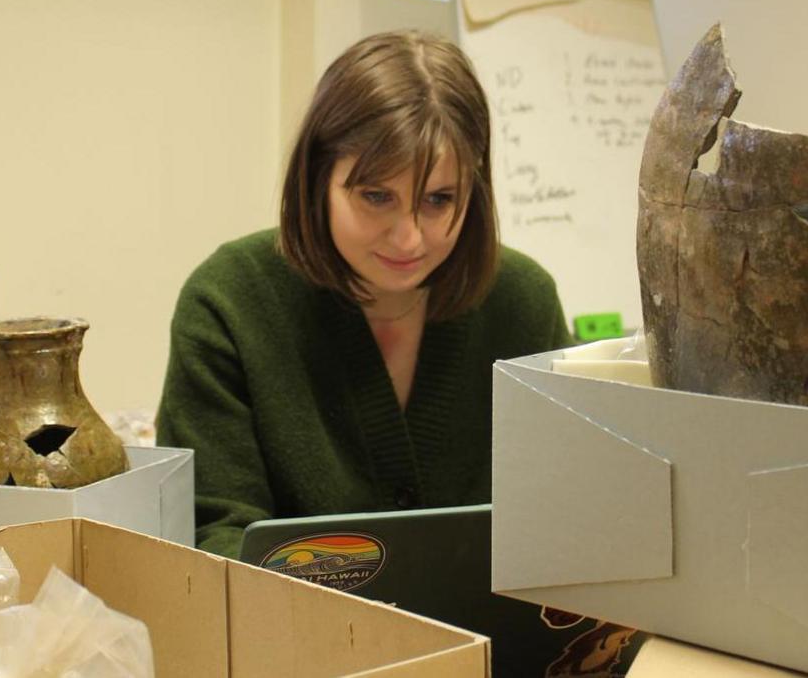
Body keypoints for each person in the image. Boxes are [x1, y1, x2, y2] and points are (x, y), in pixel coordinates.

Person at [156, 29, 573, 558]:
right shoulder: (228, 302)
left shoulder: (524, 303)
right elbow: (211, 534)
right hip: (289, 635)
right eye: (376, 197)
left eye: (440, 199)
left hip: (497, 640)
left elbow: (564, 515)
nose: (409, 238)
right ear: (317, 180)